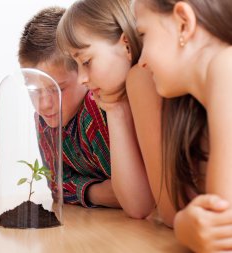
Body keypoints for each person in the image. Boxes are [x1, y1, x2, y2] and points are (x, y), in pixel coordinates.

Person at [134, 0, 232, 251]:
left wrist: (184, 225)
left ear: (183, 23)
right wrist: (184, 224)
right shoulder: (199, 110)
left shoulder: (226, 65)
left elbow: (222, 229)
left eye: (143, 35)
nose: (142, 61)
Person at [56, 0, 161, 218]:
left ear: (127, 46)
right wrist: (115, 109)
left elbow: (145, 206)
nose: (82, 78)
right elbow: (138, 207)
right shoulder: (114, 100)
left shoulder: (146, 81)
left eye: (86, 61)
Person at [19, 7, 118, 209]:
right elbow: (56, 185)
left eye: (58, 88)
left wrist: (114, 191)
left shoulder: (100, 107)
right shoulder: (44, 120)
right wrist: (97, 192)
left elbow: (132, 190)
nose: (44, 104)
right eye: (34, 90)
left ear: (84, 71)